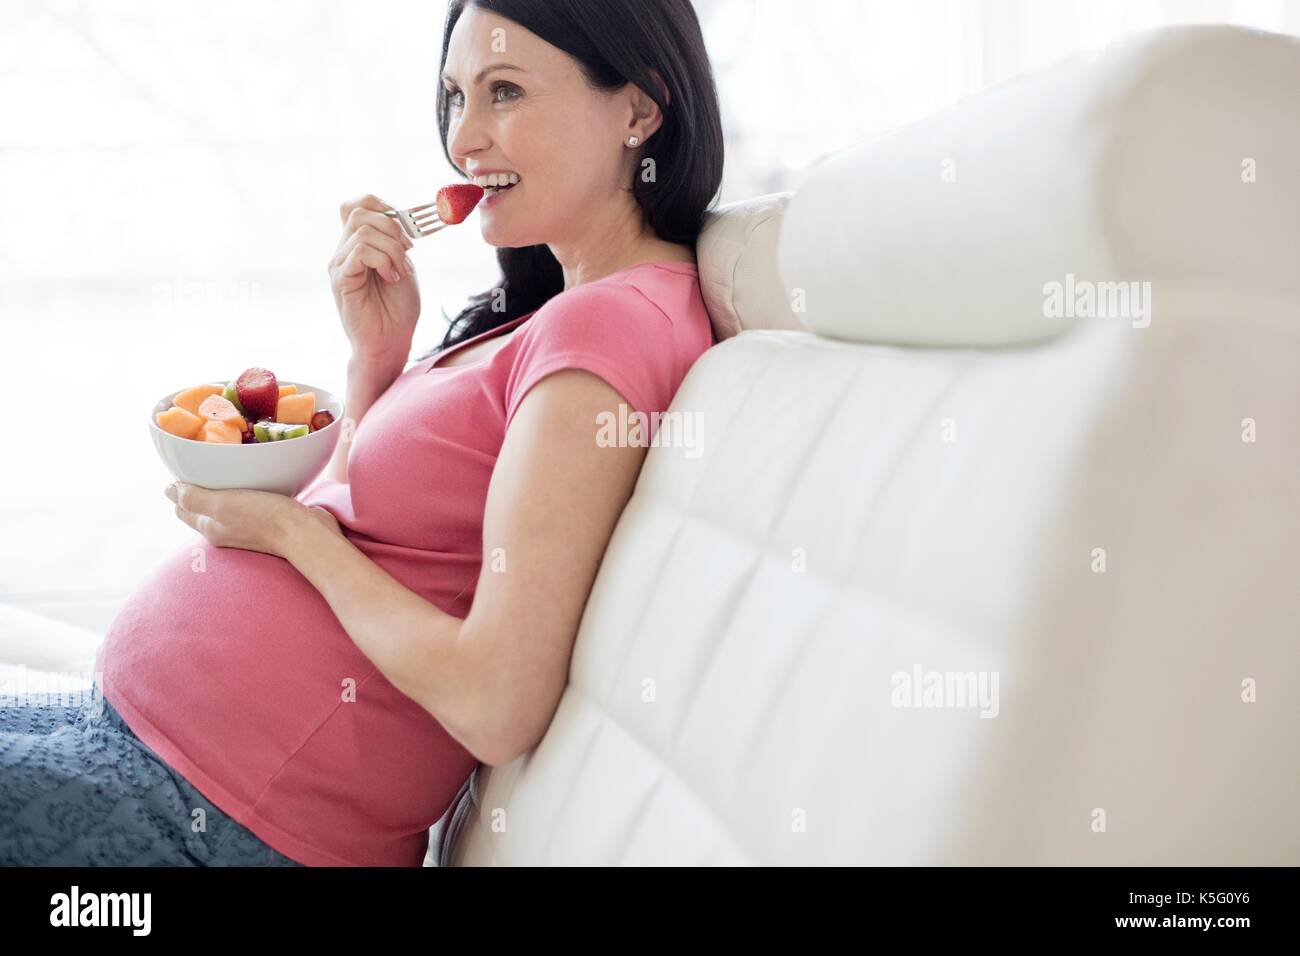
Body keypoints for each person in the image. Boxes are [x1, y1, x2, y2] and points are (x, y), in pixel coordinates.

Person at [0, 0, 723, 866]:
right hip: (139, 751)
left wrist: (289, 534)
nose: (464, 140)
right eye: (455, 96)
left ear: (640, 109)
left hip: (207, 815)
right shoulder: (557, 314)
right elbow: (384, 526)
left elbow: (497, 700)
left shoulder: (605, 328)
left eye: (505, 92)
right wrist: (376, 361)